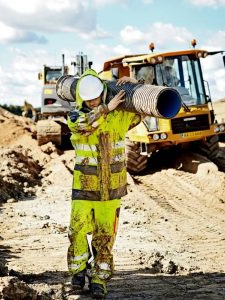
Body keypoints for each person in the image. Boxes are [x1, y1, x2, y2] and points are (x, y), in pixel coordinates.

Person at [67, 69, 141, 298]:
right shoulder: (75, 117)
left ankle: (99, 279)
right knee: (77, 231)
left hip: (112, 190)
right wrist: (105, 108)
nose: (92, 102)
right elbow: (84, 125)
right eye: (88, 99)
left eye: (96, 97)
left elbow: (142, 112)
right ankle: (78, 273)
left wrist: (134, 87)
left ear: (102, 92)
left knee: (105, 236)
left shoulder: (119, 115)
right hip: (85, 187)